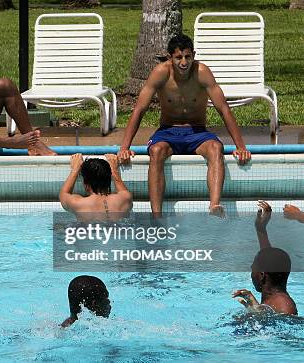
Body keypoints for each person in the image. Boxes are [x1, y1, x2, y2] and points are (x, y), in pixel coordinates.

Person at [117, 34, 251, 217]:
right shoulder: (160, 73)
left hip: (197, 132)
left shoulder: (202, 72)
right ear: (170, 57)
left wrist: (240, 146)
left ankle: (214, 205)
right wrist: (125, 148)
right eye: (178, 57)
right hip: (168, 131)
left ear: (194, 55)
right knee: (156, 152)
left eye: (188, 57)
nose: (184, 62)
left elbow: (224, 109)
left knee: (215, 148)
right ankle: (156, 215)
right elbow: (139, 109)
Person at [232, 201, 297, 315]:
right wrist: (260, 229)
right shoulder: (274, 295)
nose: (251, 272)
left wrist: (257, 317)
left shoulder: (283, 305)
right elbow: (268, 257)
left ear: (262, 275)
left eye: (253, 269)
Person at [59, 153, 132, 222]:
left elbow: (63, 194)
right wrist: (114, 170)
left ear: (85, 183)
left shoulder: (78, 204)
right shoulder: (124, 199)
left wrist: (75, 170)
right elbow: (122, 190)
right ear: (109, 179)